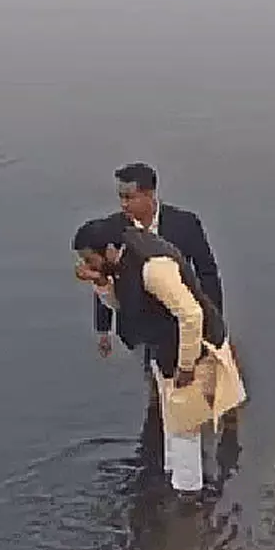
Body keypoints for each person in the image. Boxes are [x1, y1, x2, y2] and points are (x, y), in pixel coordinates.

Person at [73, 218, 228, 494]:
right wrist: (100, 282)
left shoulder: (154, 268)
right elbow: (123, 305)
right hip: (162, 346)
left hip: (193, 350)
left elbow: (192, 316)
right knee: (171, 422)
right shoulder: (120, 261)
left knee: (185, 430)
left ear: (109, 250)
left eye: (90, 259)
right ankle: (172, 480)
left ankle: (188, 499)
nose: (87, 265)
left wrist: (186, 366)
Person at [87, 163, 222, 360]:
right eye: (120, 197)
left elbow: (207, 273)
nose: (123, 204)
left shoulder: (185, 224)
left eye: (129, 198)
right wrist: (103, 330)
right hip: (138, 330)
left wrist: (215, 324)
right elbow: (104, 276)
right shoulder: (113, 229)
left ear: (149, 195)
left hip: (178, 322)